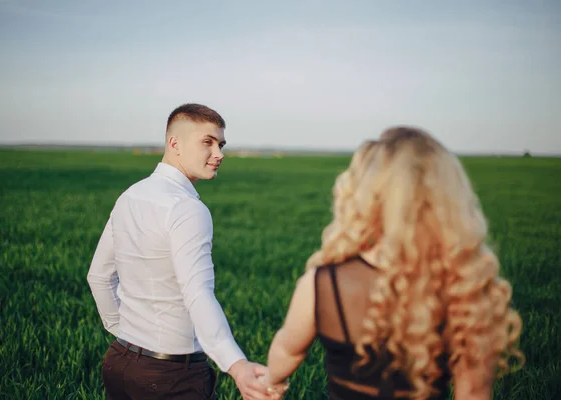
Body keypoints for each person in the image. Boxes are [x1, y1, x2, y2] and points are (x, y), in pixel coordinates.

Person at [261, 127, 525, 399]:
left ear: (363, 197)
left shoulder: (322, 284)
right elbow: (473, 393)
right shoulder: (463, 287)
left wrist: (271, 381)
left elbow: (287, 349)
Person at [87, 103, 285, 400]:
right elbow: (197, 294)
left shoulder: (131, 195)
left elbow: (98, 277)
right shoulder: (188, 209)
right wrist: (237, 365)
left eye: (221, 144)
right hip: (172, 375)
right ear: (174, 144)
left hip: (119, 362)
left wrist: (125, 335)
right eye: (207, 142)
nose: (219, 154)